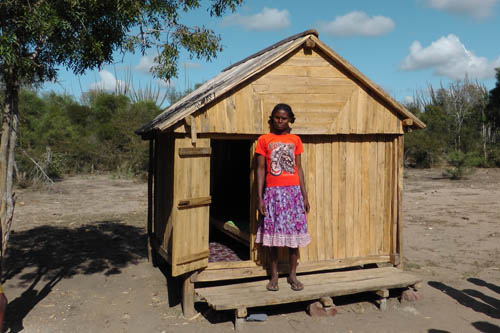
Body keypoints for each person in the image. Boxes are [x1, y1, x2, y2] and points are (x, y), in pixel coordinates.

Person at [255, 103, 310, 292]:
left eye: (284, 118)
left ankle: (293, 275)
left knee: (294, 237)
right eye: (277, 117)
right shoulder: (264, 140)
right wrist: (260, 198)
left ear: (290, 119)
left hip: (293, 193)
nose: (280, 121)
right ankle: (274, 276)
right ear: (272, 119)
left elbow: (298, 168)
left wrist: (304, 195)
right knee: (273, 238)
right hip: (273, 194)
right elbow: (260, 169)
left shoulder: (295, 140)